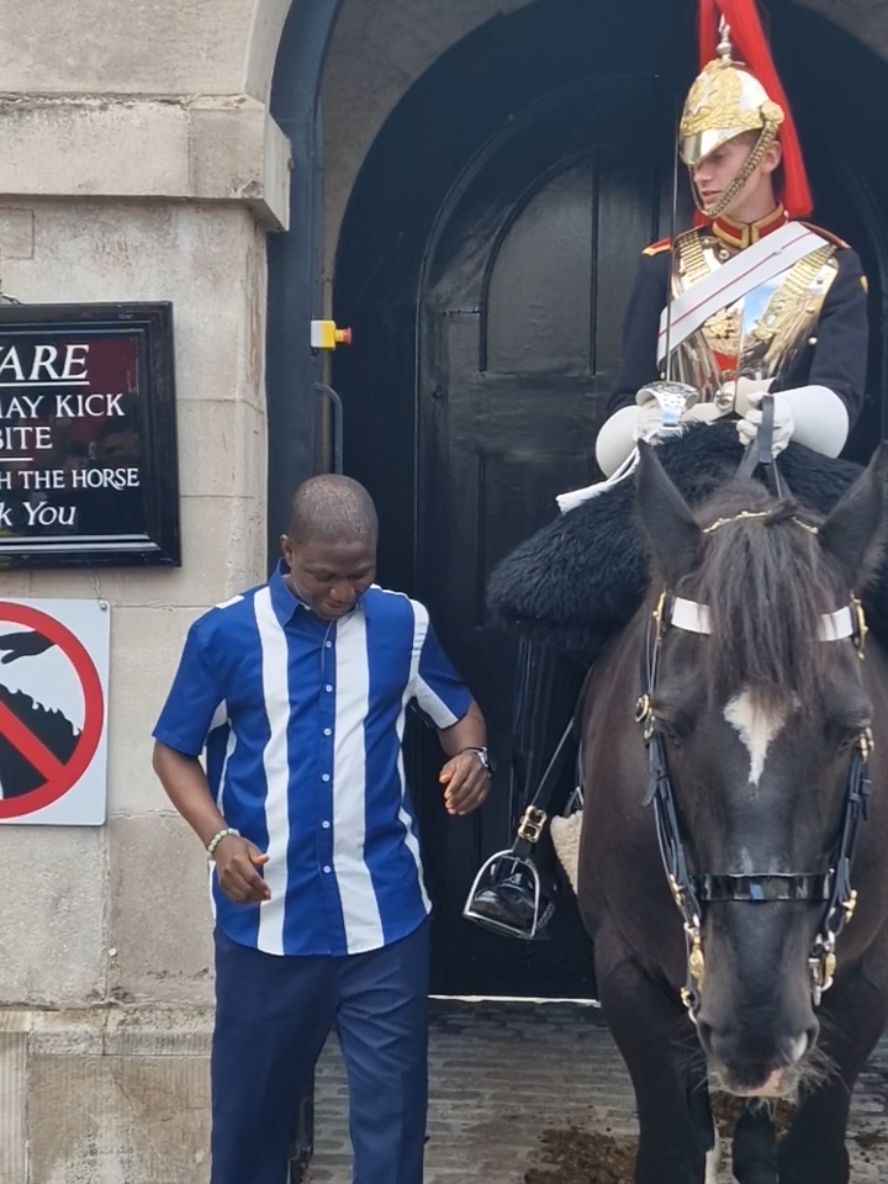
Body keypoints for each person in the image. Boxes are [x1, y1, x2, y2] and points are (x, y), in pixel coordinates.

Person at [466, 0, 870, 941]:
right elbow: (619, 402)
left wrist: (760, 411)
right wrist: (652, 416)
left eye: (721, 154)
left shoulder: (831, 269)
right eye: (694, 154)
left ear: (766, 151)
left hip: (788, 475)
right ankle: (534, 823)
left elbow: (842, 409)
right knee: (548, 595)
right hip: (678, 471)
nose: (702, 170)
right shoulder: (665, 267)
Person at [152, 474, 490, 1184]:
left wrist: (471, 757)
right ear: (287, 553)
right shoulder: (224, 634)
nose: (342, 594)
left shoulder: (404, 624)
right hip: (266, 930)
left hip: (387, 926)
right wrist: (218, 839)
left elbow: (457, 713)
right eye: (324, 577)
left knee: (394, 1139)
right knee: (248, 1137)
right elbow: (172, 749)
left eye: (359, 575)